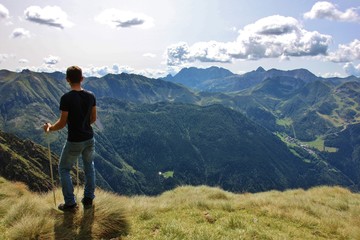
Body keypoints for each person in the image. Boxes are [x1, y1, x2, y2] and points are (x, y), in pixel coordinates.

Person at [43, 66, 97, 211]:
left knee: (64, 169)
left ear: (67, 80)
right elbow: (93, 118)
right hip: (89, 138)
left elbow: (61, 123)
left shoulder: (66, 98)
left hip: (75, 140)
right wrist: (84, 124)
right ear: (82, 78)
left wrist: (50, 127)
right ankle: (88, 199)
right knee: (89, 168)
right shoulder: (91, 96)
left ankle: (70, 203)